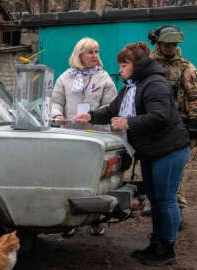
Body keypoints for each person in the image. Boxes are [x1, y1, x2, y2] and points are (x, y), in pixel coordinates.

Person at [74, 42, 190, 266]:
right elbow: (112, 110)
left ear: (137, 65)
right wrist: (90, 116)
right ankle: (157, 243)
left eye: (124, 65)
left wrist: (128, 122)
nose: (121, 69)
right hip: (150, 151)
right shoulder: (131, 86)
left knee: (165, 200)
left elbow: (160, 117)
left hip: (169, 150)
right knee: (155, 201)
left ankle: (168, 248)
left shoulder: (155, 84)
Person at [50, 37, 117, 236]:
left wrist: (93, 117)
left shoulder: (104, 78)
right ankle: (69, 221)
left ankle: (96, 219)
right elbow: (56, 102)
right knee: (70, 177)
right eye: (91, 52)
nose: (95, 56)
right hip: (69, 136)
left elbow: (111, 106)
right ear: (79, 55)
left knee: (96, 178)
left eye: (97, 52)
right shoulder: (65, 77)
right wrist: (57, 115)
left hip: (96, 136)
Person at [147, 25, 197, 229]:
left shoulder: (186, 67)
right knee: (154, 168)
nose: (171, 48)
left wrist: (194, 122)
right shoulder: (148, 64)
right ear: (159, 43)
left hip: (179, 126)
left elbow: (195, 96)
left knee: (176, 171)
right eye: (168, 44)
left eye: (174, 44)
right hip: (154, 124)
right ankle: (159, 207)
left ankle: (175, 210)